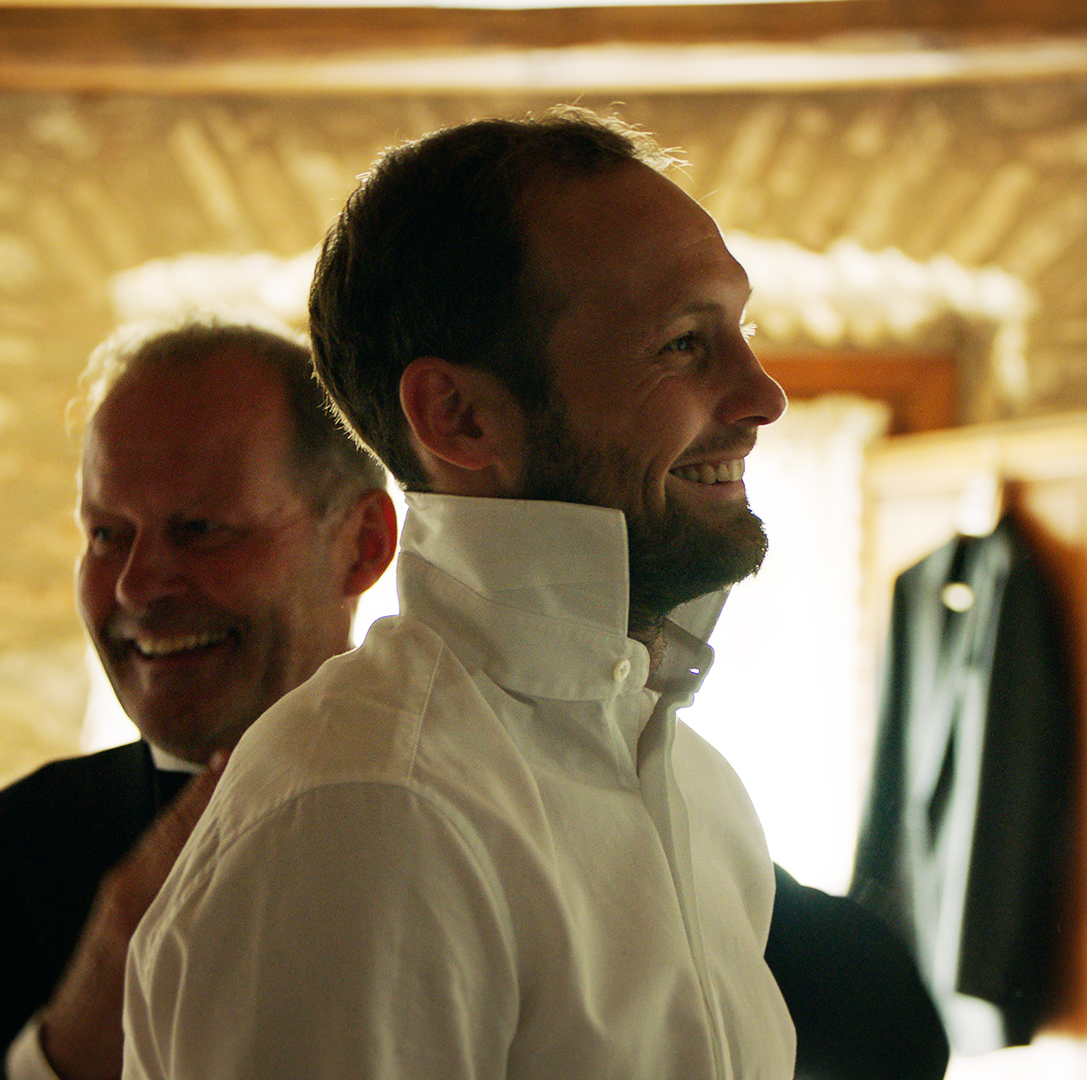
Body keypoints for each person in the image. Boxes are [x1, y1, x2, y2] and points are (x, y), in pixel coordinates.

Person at [125, 108, 945, 1080]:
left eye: (743, 328)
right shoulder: (372, 809)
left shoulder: (697, 789)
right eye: (684, 343)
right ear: (460, 418)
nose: (764, 395)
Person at [0, 317, 398, 1080]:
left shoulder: (486, 830)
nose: (137, 586)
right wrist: (60, 1057)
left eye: (200, 530)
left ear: (363, 544)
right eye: (107, 535)